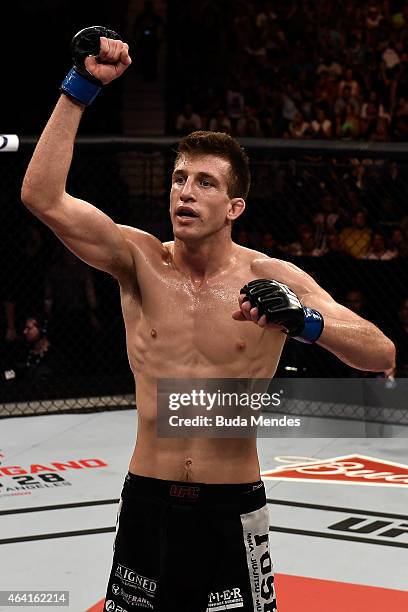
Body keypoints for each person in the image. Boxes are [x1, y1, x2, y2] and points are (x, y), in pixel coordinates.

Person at [21, 30, 395, 612]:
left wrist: (306, 323)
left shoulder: (274, 278)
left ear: (234, 207)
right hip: (147, 497)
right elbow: (42, 196)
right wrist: (80, 89)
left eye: (204, 183)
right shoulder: (138, 260)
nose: (185, 193)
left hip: (232, 505)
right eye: (178, 179)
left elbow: (382, 352)